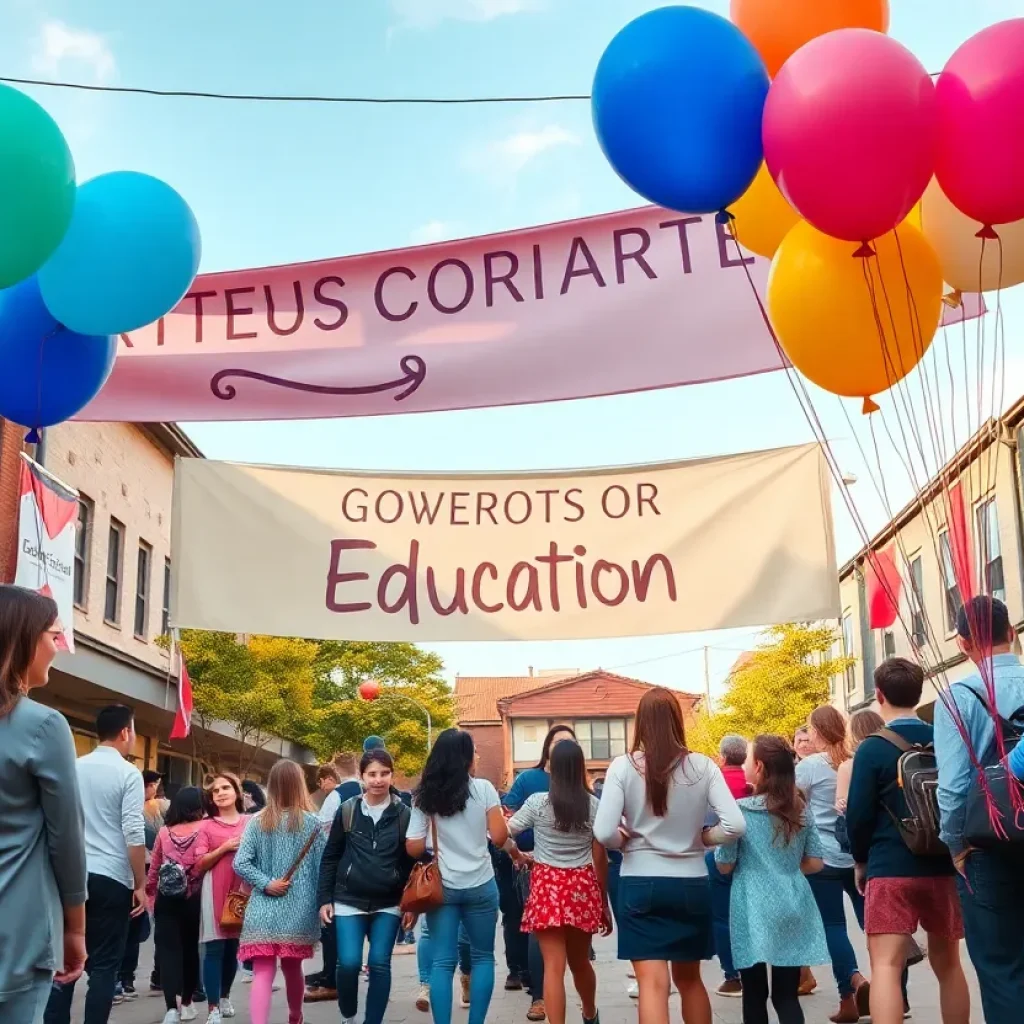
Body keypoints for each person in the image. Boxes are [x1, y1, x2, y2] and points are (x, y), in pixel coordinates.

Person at [593, 686, 745, 1024]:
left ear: (640, 723)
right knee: (690, 982)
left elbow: (603, 833)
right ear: (677, 720)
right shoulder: (702, 766)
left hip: (640, 882)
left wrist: (622, 839)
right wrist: (706, 838)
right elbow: (735, 824)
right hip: (691, 883)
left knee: (652, 985)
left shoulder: (623, 767)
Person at [846, 658, 970, 1024]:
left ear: (878, 694)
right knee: (949, 966)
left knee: (885, 965)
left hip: (889, 866)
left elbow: (858, 816)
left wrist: (860, 860)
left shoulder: (871, 749)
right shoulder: (944, 737)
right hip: (943, 864)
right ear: (919, 692)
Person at [0, 587, 87, 1024]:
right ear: (24, 639)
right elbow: (66, 839)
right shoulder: (43, 726)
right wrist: (75, 928)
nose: (58, 647)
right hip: (18, 929)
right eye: (54, 635)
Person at [935, 595, 1024, 1023]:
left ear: (962, 643)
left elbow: (951, 787)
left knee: (1000, 966)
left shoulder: (959, 697)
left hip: (989, 842)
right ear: (1012, 632)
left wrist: (954, 844)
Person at [715, 735, 828, 1024]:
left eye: (748, 760)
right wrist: (785, 868)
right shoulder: (799, 808)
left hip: (750, 904)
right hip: (793, 900)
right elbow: (816, 861)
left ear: (760, 767)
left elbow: (724, 865)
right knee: (786, 995)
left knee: (754, 995)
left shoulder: (741, 811)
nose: (743, 765)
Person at [44, 704, 146, 1024]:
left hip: (69, 875)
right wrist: (140, 883)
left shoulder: (72, 768)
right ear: (126, 732)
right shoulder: (129, 773)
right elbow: (133, 830)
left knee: (63, 960)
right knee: (104, 967)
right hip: (113, 877)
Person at [406, 728, 510, 1024]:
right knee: (482, 958)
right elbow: (500, 836)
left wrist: (432, 846)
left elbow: (413, 846)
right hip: (481, 884)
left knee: (442, 962)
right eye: (473, 751)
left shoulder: (423, 796)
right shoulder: (485, 789)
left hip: (443, 888)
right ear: (465, 758)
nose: (476, 756)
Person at [507, 739, 611, 1024]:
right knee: (580, 962)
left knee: (553, 967)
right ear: (581, 768)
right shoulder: (594, 806)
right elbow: (601, 855)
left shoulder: (538, 803)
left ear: (551, 768)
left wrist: (515, 853)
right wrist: (603, 902)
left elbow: (503, 832)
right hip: (582, 885)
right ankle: (590, 1014)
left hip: (546, 886)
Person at [318, 748, 415, 1024]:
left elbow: (410, 864)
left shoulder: (404, 815)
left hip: (389, 902)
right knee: (347, 963)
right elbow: (331, 857)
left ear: (392, 775)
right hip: (348, 899)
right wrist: (325, 899)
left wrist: (409, 905)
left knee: (379, 964)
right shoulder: (347, 811)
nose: (378, 780)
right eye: (372, 774)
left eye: (384, 773)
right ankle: (348, 1016)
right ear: (361, 777)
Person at [234, 759, 325, 1024]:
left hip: (262, 907)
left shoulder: (256, 821)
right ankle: (295, 1017)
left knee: (262, 971)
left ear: (271, 786)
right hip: (298, 909)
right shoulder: (314, 824)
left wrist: (265, 883)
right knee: (292, 966)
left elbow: (240, 862)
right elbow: (322, 870)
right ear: (300, 785)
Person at [797, 705, 871, 1023]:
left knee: (833, 927)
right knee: (873, 927)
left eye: (811, 729)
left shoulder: (811, 765)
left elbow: (793, 805)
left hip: (823, 857)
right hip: (858, 854)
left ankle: (851, 989)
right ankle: (893, 992)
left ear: (818, 731)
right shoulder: (858, 758)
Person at [503, 723, 577, 1022]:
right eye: (558, 742)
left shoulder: (581, 788)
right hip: (536, 867)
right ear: (547, 746)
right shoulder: (530, 780)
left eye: (569, 744)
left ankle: (585, 1004)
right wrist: (520, 851)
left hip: (576, 874)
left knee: (573, 948)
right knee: (539, 933)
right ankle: (539, 996)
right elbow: (506, 816)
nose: (562, 749)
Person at [307, 752, 362, 1003]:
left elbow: (321, 833)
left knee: (330, 924)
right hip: (363, 870)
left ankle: (331, 978)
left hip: (337, 868)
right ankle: (341, 972)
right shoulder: (368, 791)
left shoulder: (336, 796)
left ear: (336, 773)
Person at [194, 773, 249, 1024]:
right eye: (216, 791)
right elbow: (199, 864)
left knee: (233, 949)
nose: (221, 793)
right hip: (214, 890)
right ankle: (213, 1006)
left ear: (237, 792)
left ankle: (225, 995)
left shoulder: (251, 823)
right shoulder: (205, 825)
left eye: (226, 787)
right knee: (214, 948)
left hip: (244, 890)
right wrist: (224, 848)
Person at [149, 786, 206, 1024]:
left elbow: (154, 868)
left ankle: (171, 1008)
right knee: (191, 953)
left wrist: (151, 898)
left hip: (167, 899)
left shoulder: (164, 832)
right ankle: (187, 1004)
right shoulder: (205, 829)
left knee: (169, 953)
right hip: (195, 899)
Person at [707, 734, 750, 999]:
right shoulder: (752, 782)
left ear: (722, 756)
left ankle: (731, 975)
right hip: (750, 854)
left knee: (721, 916)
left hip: (718, 852)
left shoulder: (713, 780)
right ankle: (753, 968)